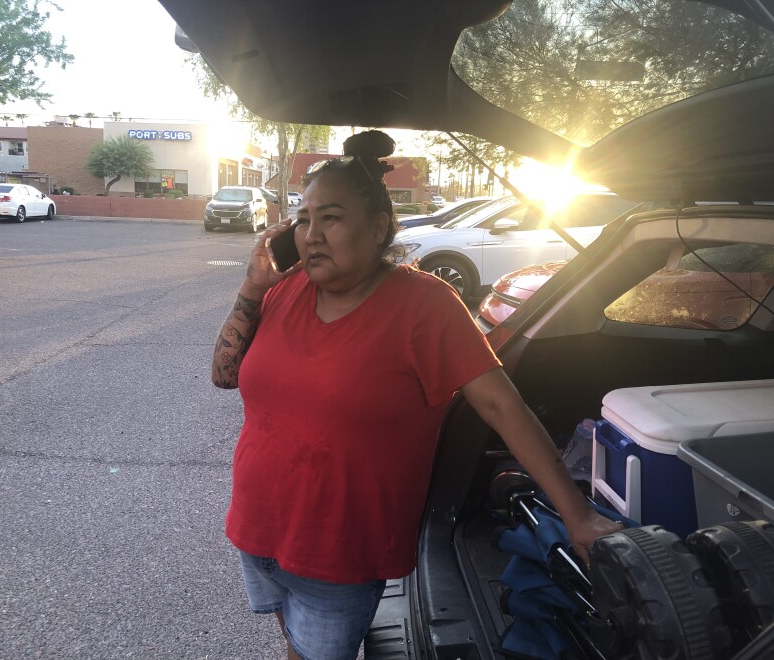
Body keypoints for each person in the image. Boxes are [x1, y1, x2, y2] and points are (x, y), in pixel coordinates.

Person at [211, 130, 622, 660]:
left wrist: (576, 514)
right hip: (258, 525)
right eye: (303, 218)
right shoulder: (285, 289)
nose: (311, 234)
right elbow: (225, 374)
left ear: (378, 227)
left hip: (339, 548)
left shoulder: (425, 305)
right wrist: (251, 287)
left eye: (330, 218)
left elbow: (502, 406)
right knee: (293, 640)